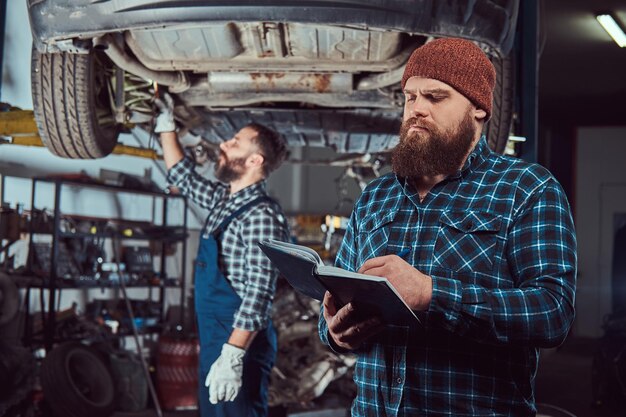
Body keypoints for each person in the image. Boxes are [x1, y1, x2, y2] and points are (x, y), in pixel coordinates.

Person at [318, 37, 577, 416]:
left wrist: (430, 294)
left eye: (435, 98)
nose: (416, 110)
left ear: (479, 110)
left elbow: (552, 313)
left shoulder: (526, 189)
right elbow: (338, 298)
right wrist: (335, 334)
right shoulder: (376, 196)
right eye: (410, 97)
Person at [155, 94, 290, 417]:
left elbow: (258, 294)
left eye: (235, 142)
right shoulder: (224, 200)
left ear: (255, 160)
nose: (224, 145)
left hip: (238, 343)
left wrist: (232, 355)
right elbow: (183, 177)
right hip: (216, 337)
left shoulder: (261, 216)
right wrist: (166, 127)